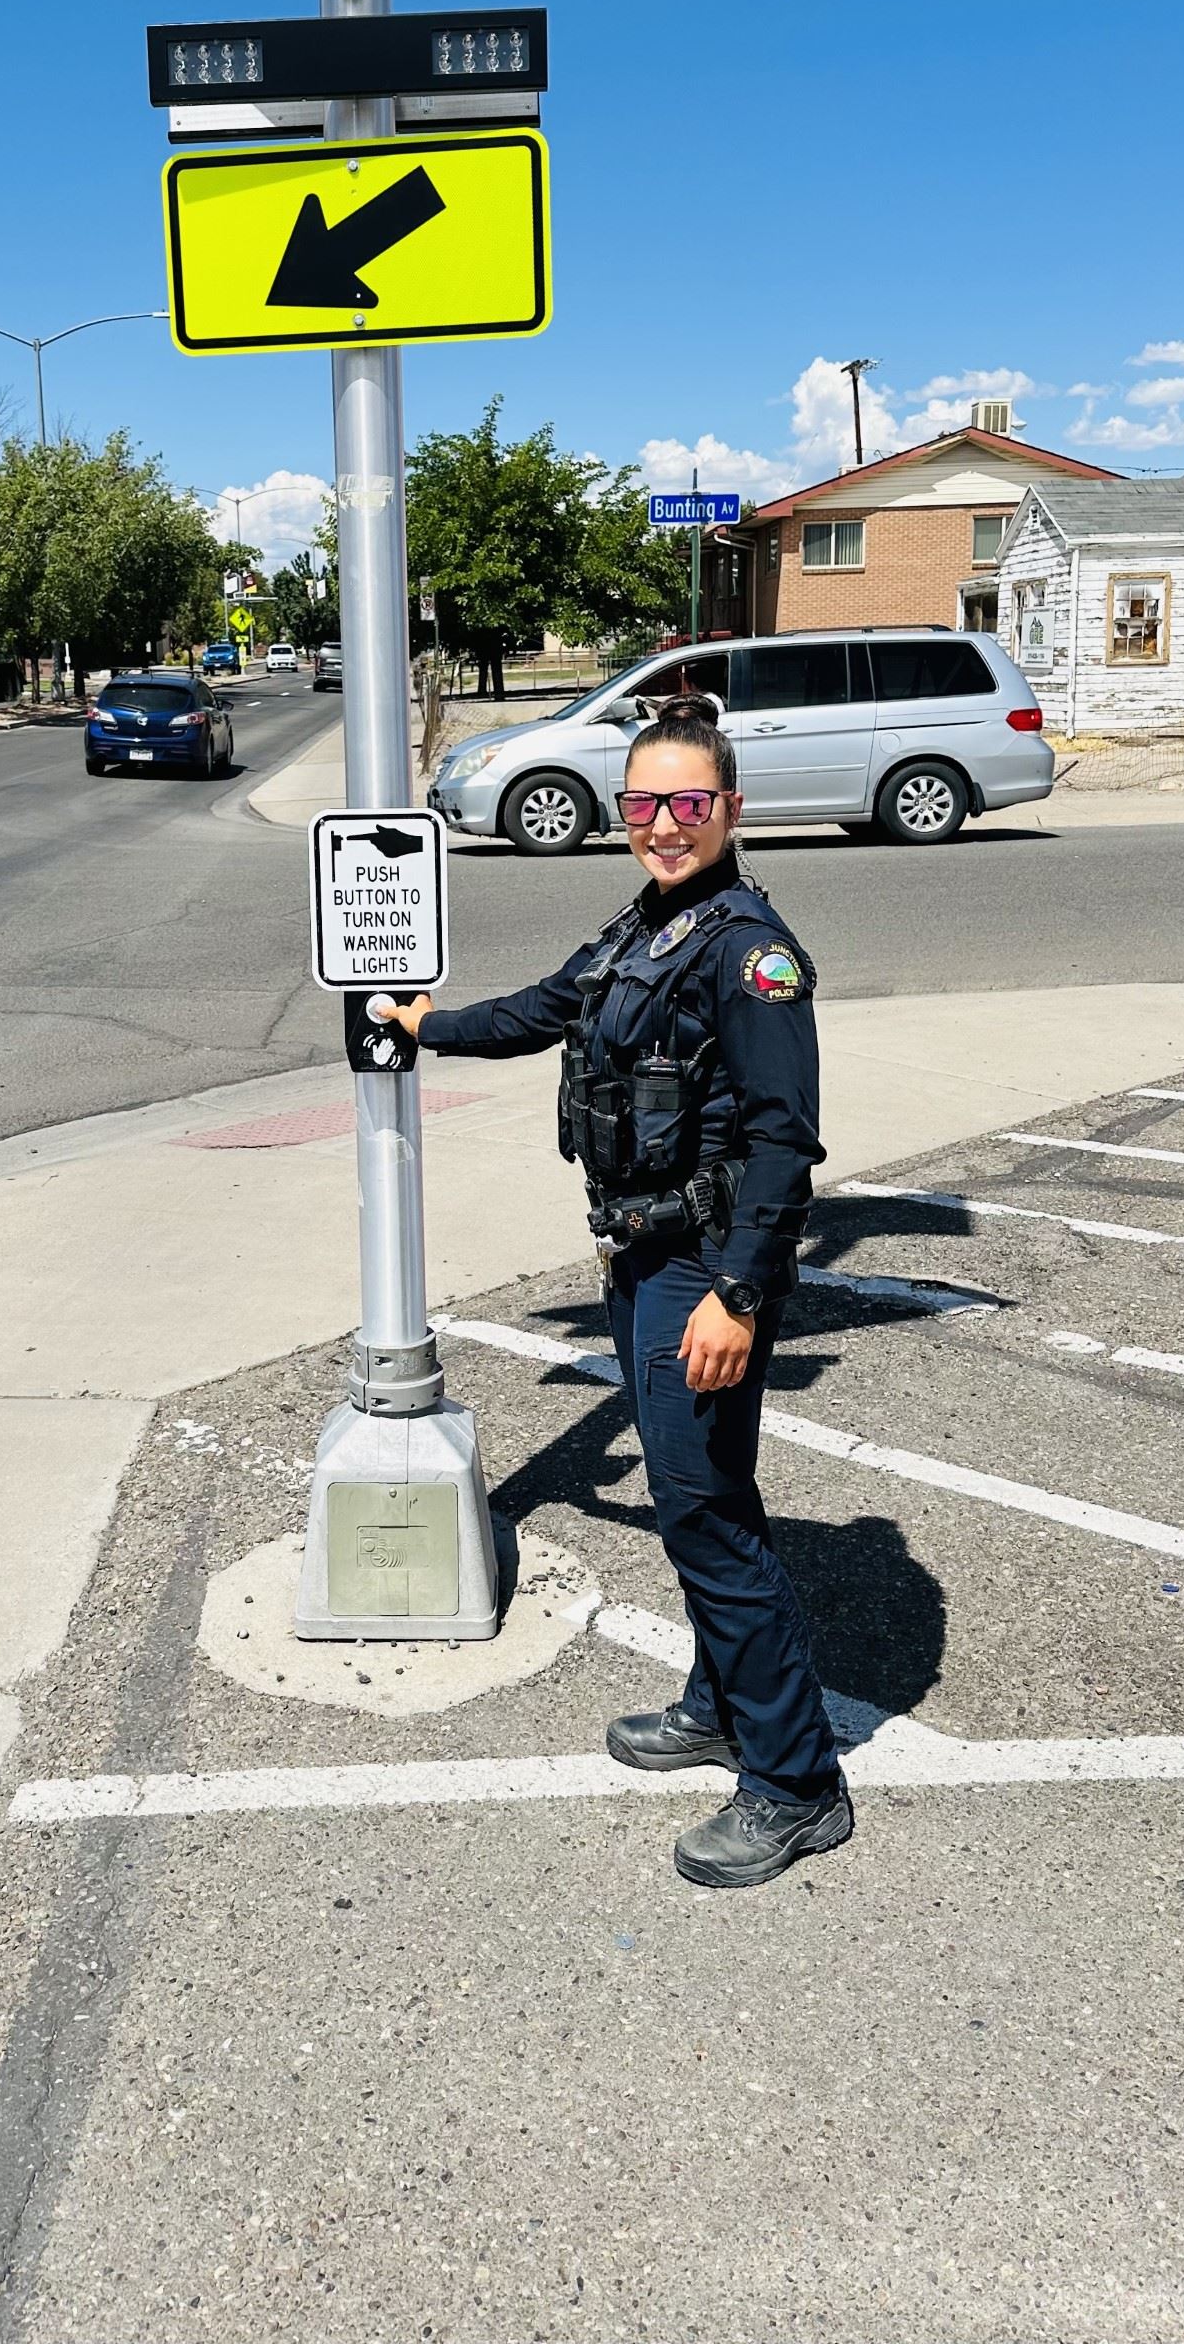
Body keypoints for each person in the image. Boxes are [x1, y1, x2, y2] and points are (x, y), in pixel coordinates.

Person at [381, 697, 850, 1888]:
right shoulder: (647, 926)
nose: (662, 824)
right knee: (711, 1491)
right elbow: (544, 1009)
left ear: (730, 811)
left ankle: (795, 1781)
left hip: (701, 1268)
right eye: (643, 803)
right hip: (645, 1258)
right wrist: (426, 1023)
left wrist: (739, 1297)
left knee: (703, 1512)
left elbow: (787, 1142)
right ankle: (719, 1701)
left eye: (688, 803)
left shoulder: (749, 950)